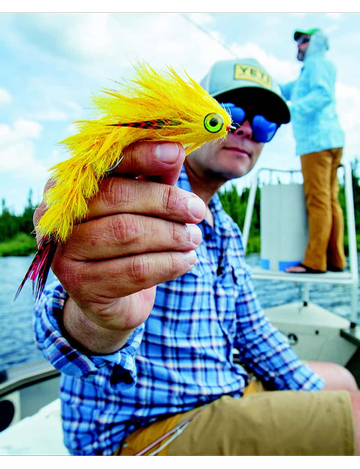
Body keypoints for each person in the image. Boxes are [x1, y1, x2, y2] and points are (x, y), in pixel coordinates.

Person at [33, 58, 359, 456]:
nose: (243, 130)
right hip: (144, 429)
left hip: (222, 389)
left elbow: (252, 331)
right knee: (355, 415)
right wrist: (98, 317)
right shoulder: (133, 189)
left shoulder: (226, 230)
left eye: (264, 125)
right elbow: (59, 327)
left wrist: (310, 395)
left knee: (340, 380)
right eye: (229, 113)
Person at [280, 28, 347, 274]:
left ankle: (315, 262)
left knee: (318, 201)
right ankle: (336, 260)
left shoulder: (316, 65)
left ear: (316, 43)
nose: (298, 45)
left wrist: (291, 110)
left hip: (316, 143)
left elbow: (322, 95)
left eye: (304, 41)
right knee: (330, 200)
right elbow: (287, 89)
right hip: (331, 140)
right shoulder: (312, 70)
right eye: (297, 40)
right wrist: (264, 82)